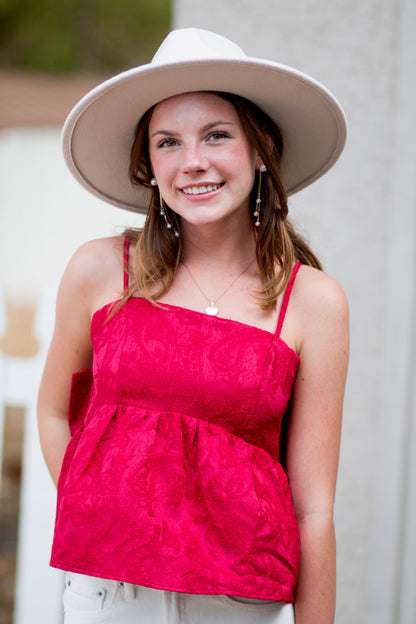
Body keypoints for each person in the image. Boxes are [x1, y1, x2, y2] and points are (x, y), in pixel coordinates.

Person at [37, 28, 349, 624]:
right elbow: (53, 412)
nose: (194, 162)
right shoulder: (101, 270)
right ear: (149, 164)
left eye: (217, 135)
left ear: (261, 150)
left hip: (237, 607)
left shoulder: (313, 303)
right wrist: (96, 508)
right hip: (106, 597)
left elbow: (314, 510)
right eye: (168, 142)